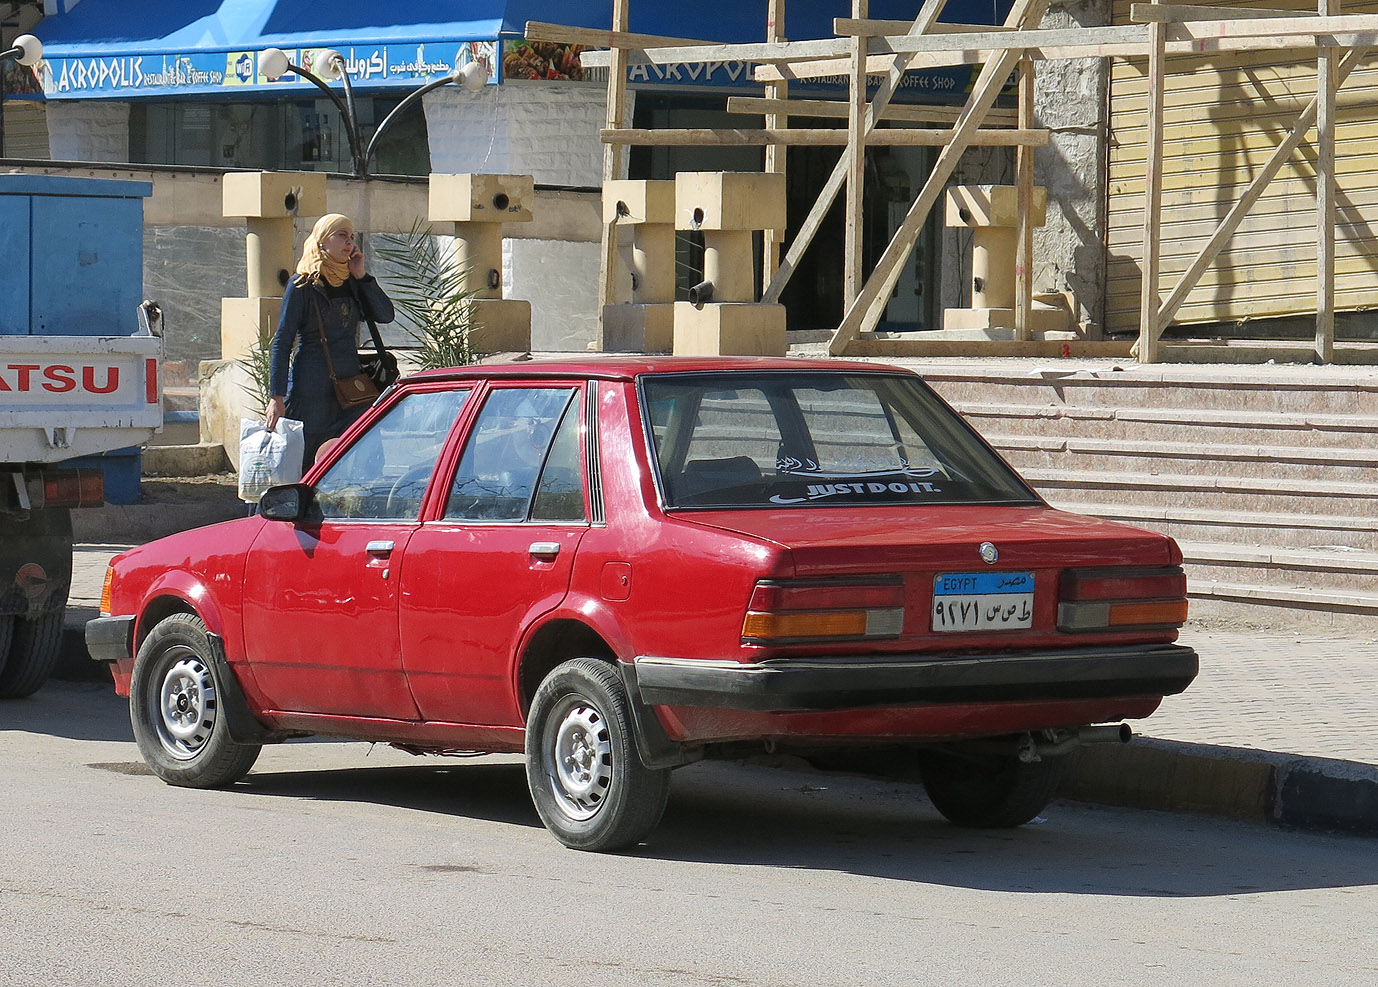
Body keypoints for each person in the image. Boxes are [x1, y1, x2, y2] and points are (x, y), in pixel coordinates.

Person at [266, 213, 395, 469]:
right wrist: (276, 397)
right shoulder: (303, 284)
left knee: (366, 456)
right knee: (303, 463)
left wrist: (361, 276)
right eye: (341, 235)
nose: (349, 242)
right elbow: (282, 341)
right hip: (311, 389)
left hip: (352, 388)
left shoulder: (352, 282)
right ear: (322, 241)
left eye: (351, 236)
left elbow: (385, 315)